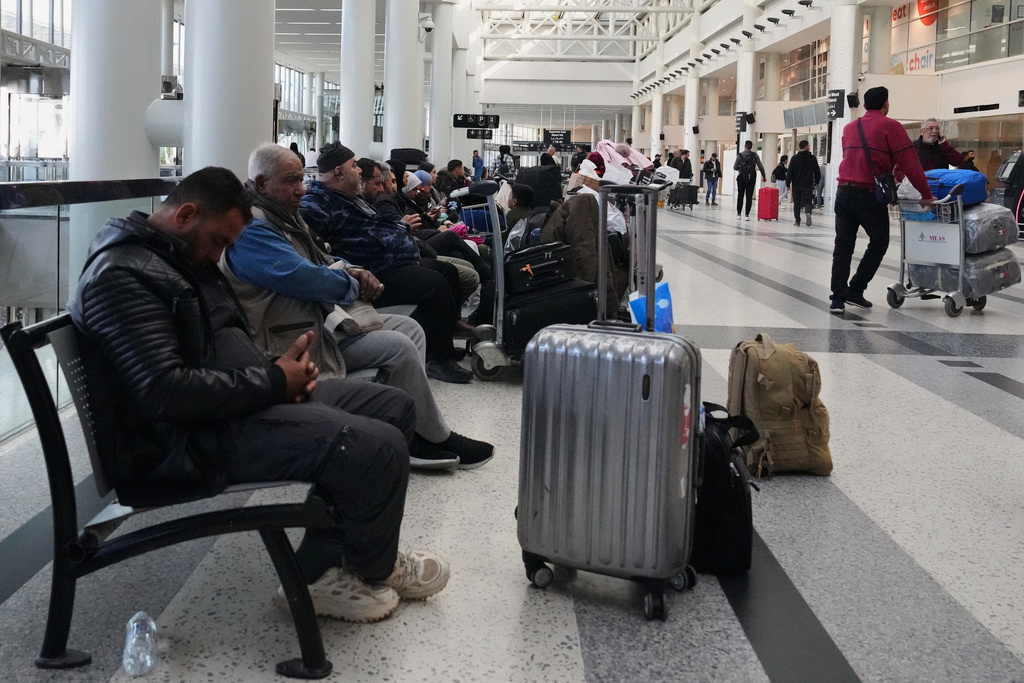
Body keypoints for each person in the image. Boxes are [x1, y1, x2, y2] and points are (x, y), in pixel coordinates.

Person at [69, 166, 451, 624]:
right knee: (378, 448)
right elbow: (163, 393)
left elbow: (209, 348)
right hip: (182, 444)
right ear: (186, 214)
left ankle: (328, 565)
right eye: (218, 242)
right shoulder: (124, 275)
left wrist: (275, 370)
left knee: (392, 407)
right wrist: (273, 382)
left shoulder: (175, 259)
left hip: (231, 410)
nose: (219, 256)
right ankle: (373, 568)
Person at [222, 143, 494, 469]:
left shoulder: (285, 217)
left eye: (301, 179)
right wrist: (351, 280)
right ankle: (431, 438)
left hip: (316, 324)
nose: (300, 189)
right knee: (401, 343)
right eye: (291, 181)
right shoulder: (254, 229)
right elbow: (305, 277)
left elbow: (322, 257)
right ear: (263, 183)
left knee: (410, 327)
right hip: (290, 341)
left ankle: (408, 428)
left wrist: (350, 267)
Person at [300, 141, 472, 383]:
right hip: (373, 272)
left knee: (448, 272)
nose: (359, 170)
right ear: (339, 172)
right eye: (353, 166)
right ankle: (438, 360)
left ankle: (441, 343)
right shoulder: (317, 202)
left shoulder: (349, 198)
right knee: (435, 284)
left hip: (392, 263)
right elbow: (312, 241)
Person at [830, 86, 934, 315]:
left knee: (843, 246)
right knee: (879, 241)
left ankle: (837, 298)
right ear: (886, 104)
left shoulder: (849, 127)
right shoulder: (892, 126)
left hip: (844, 193)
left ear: (865, 105)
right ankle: (856, 289)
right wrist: (926, 194)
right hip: (869, 195)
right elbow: (910, 163)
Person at [786, 143, 820, 227]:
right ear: (807, 147)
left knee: (797, 203)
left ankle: (797, 221)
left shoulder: (794, 158)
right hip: (808, 184)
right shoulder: (812, 158)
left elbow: (790, 172)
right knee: (807, 201)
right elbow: (817, 171)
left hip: (796, 184)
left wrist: (788, 183)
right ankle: (808, 212)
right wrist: (817, 181)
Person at [733, 140, 767, 221]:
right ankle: (747, 215)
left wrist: (740, 169)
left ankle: (738, 213)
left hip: (741, 177)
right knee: (749, 196)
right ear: (751, 147)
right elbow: (761, 167)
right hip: (751, 178)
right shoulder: (755, 155)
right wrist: (764, 176)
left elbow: (734, 167)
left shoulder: (740, 155)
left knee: (740, 195)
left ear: (745, 146)